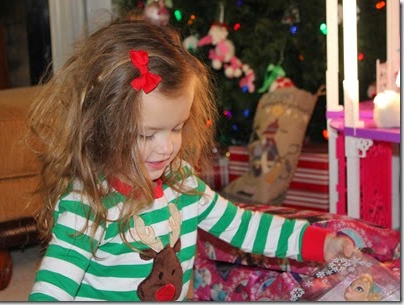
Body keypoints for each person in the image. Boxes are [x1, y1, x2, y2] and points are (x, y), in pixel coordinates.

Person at [27, 17, 354, 302]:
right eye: (146, 135)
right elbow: (53, 288)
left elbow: (244, 226)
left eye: (177, 127)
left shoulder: (181, 184)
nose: (167, 147)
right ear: (102, 127)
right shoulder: (88, 204)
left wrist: (320, 245)